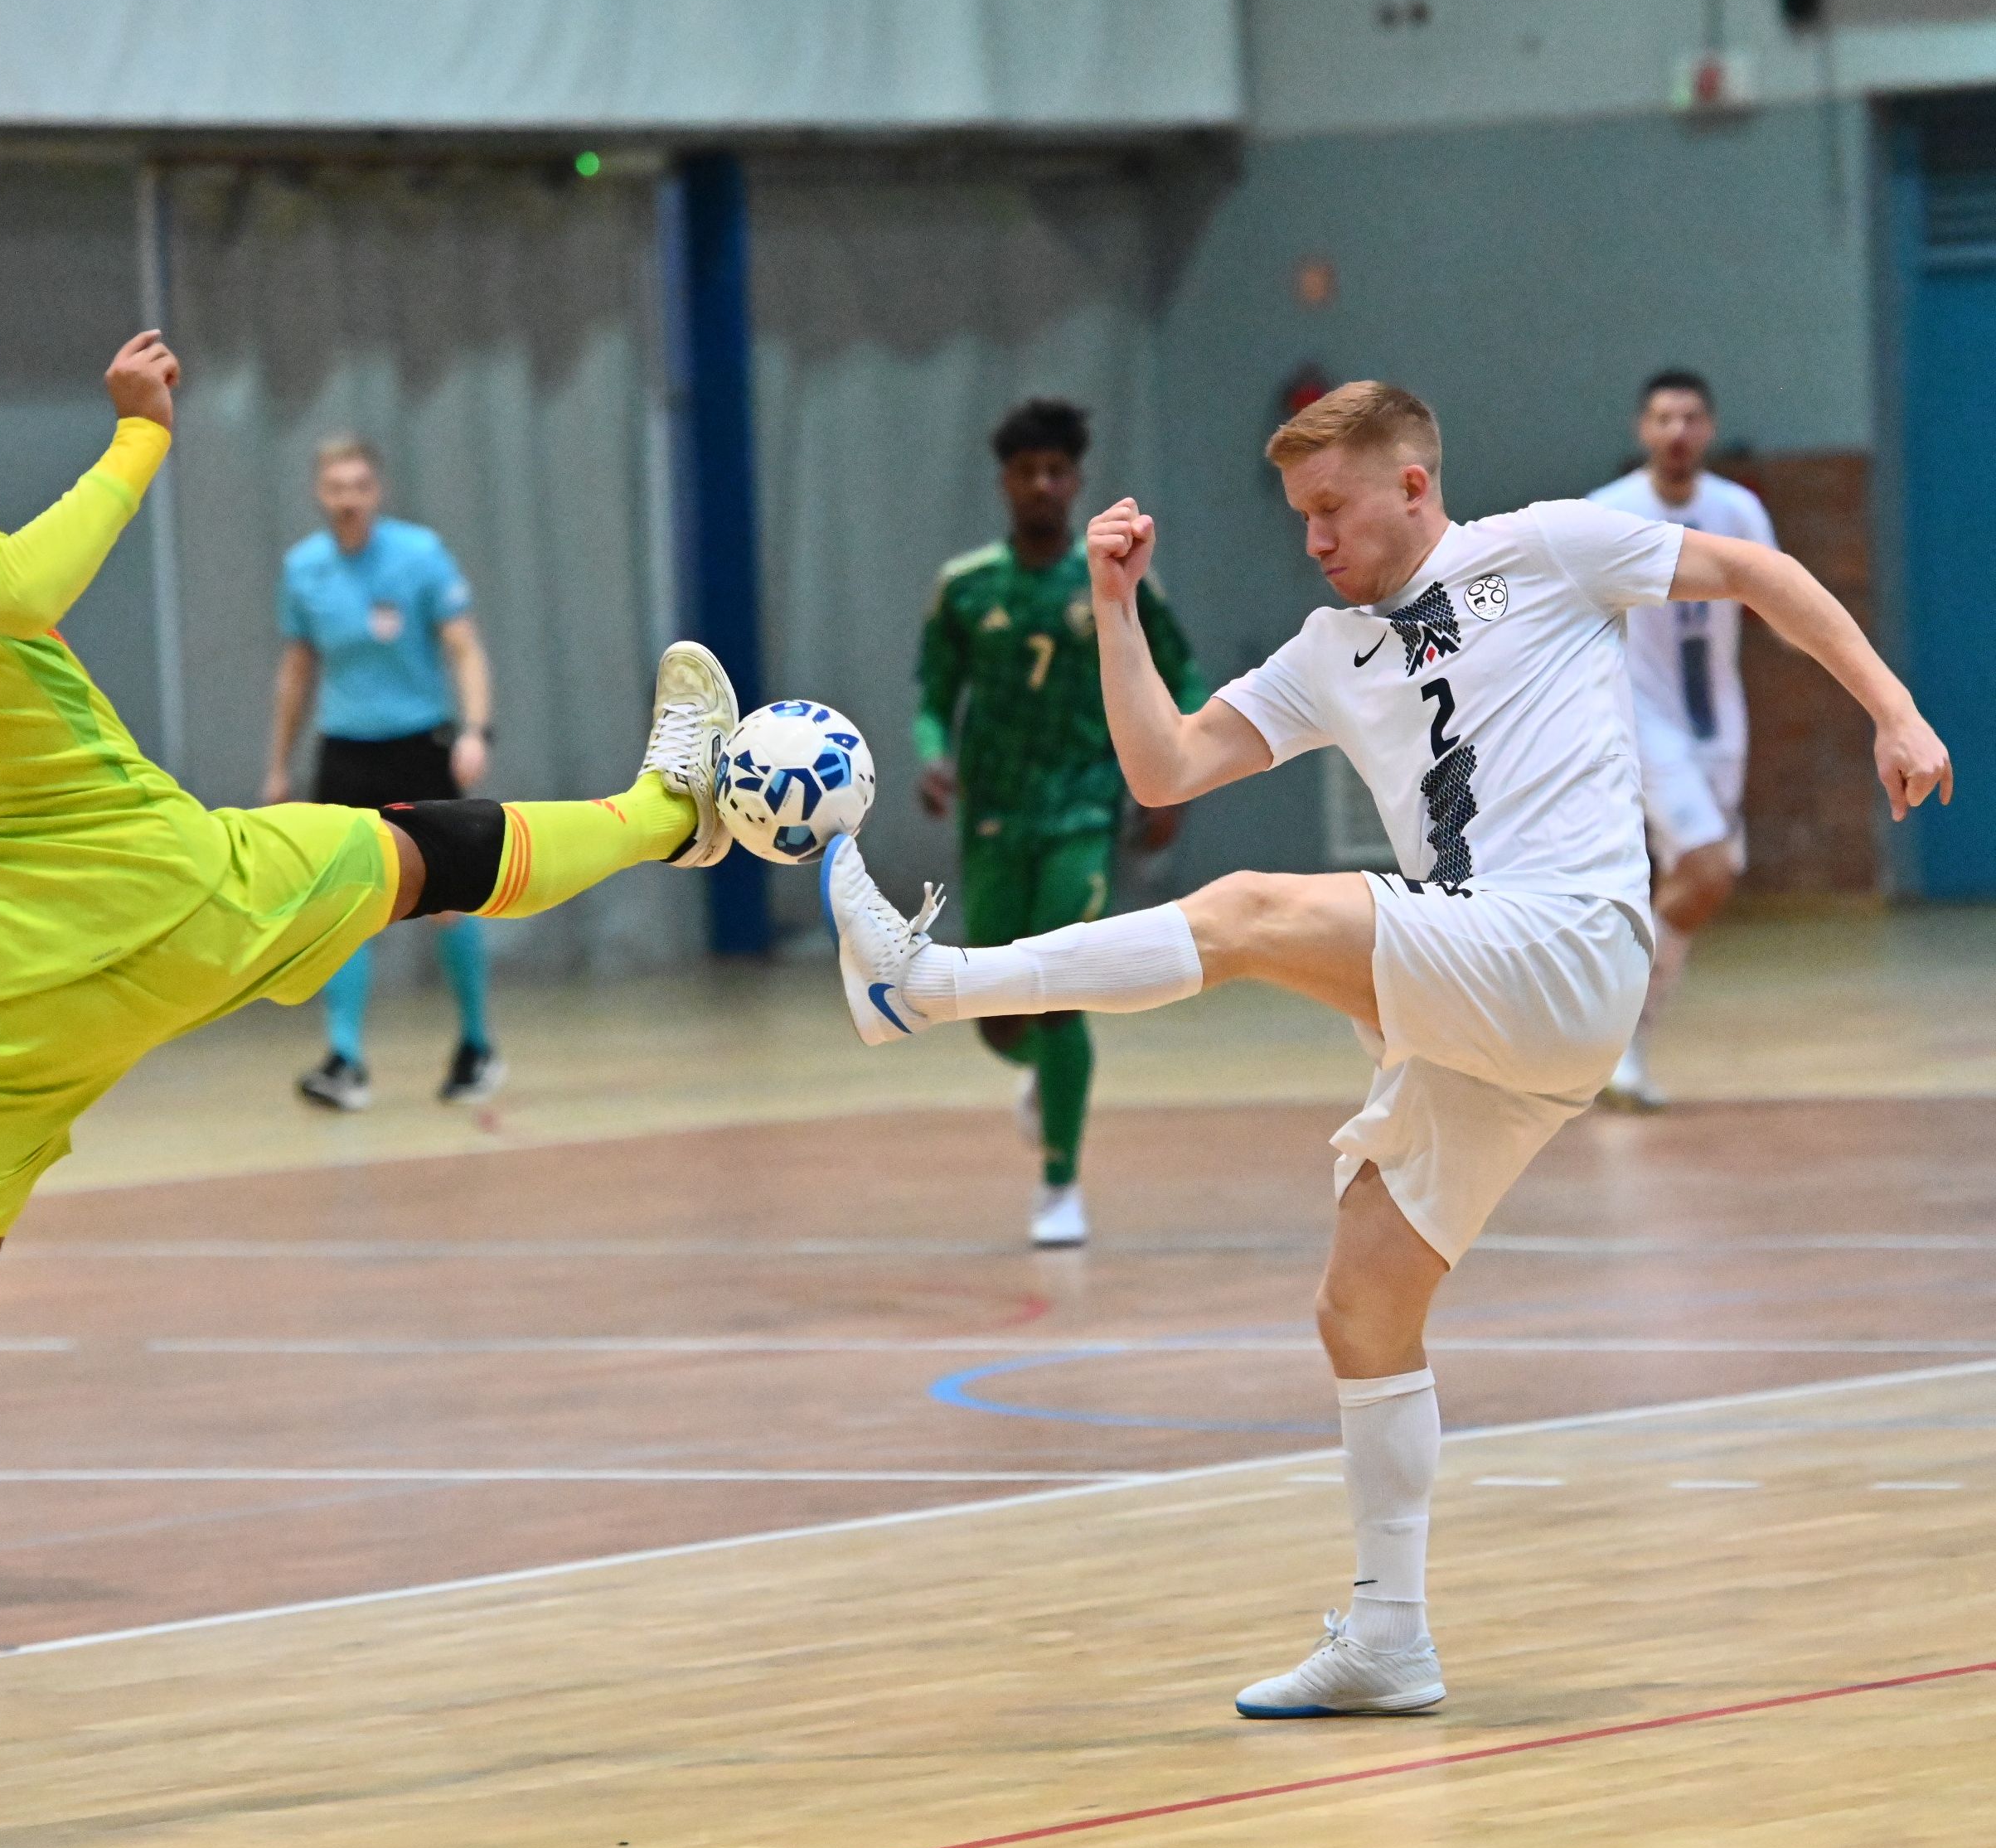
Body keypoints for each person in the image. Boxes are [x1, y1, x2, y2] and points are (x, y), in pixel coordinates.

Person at [0, 280, 740, 1848]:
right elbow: (17, 585)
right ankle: (667, 813)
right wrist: (137, 437)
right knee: (415, 853)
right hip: (153, 897)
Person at [825, 380, 1950, 1718]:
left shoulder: (1543, 548)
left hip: (1564, 939)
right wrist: (1112, 608)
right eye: (1296, 514)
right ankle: (1387, 1636)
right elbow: (1162, 767)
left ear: (1411, 486)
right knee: (1360, 1301)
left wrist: (1891, 708)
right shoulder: (1325, 650)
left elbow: (1755, 572)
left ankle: (926, 982)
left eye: (1328, 508)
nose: (1310, 538)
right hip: (1487, 999)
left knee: (1248, 911)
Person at [915, 398, 1205, 1247]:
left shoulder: (1114, 578)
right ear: (1004, 482)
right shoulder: (966, 586)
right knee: (997, 1013)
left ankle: (1058, 1184)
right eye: (1026, 471)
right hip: (994, 818)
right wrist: (932, 756)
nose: (1041, 484)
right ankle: (1041, 1076)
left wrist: (1175, 779)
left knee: (1061, 988)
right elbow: (932, 695)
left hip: (1082, 808)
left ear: (1075, 482)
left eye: (1056, 471)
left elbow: (1183, 677)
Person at [265, 438, 501, 1110]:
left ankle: (476, 1045)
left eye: (359, 485)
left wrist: (475, 730)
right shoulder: (304, 569)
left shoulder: (418, 555)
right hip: (345, 750)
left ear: (378, 491)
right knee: (343, 906)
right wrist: (277, 765)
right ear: (320, 493)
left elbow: (463, 647)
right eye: (336, 486)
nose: (348, 499)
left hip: (418, 745)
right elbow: (297, 671)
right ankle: (345, 1059)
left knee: (448, 900)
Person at [1585, 370, 1776, 1110]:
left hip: (1718, 724)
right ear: (1643, 429)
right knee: (1705, 866)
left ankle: (1620, 1030)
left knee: (1700, 884)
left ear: (1709, 428)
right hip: (1642, 721)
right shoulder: (1606, 513)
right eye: (1663, 418)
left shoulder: (1737, 510)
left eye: (1690, 418)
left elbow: (1778, 600)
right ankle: (1618, 1041)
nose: (1677, 431)